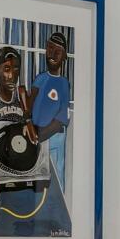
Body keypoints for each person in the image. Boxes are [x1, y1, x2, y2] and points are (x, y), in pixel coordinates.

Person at [32, 27, 75, 185]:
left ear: (64, 56)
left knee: (55, 183)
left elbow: (61, 119)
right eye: (50, 48)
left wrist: (40, 135)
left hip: (54, 140)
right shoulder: (40, 79)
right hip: (36, 138)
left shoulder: (64, 84)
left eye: (58, 51)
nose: (53, 54)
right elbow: (31, 106)